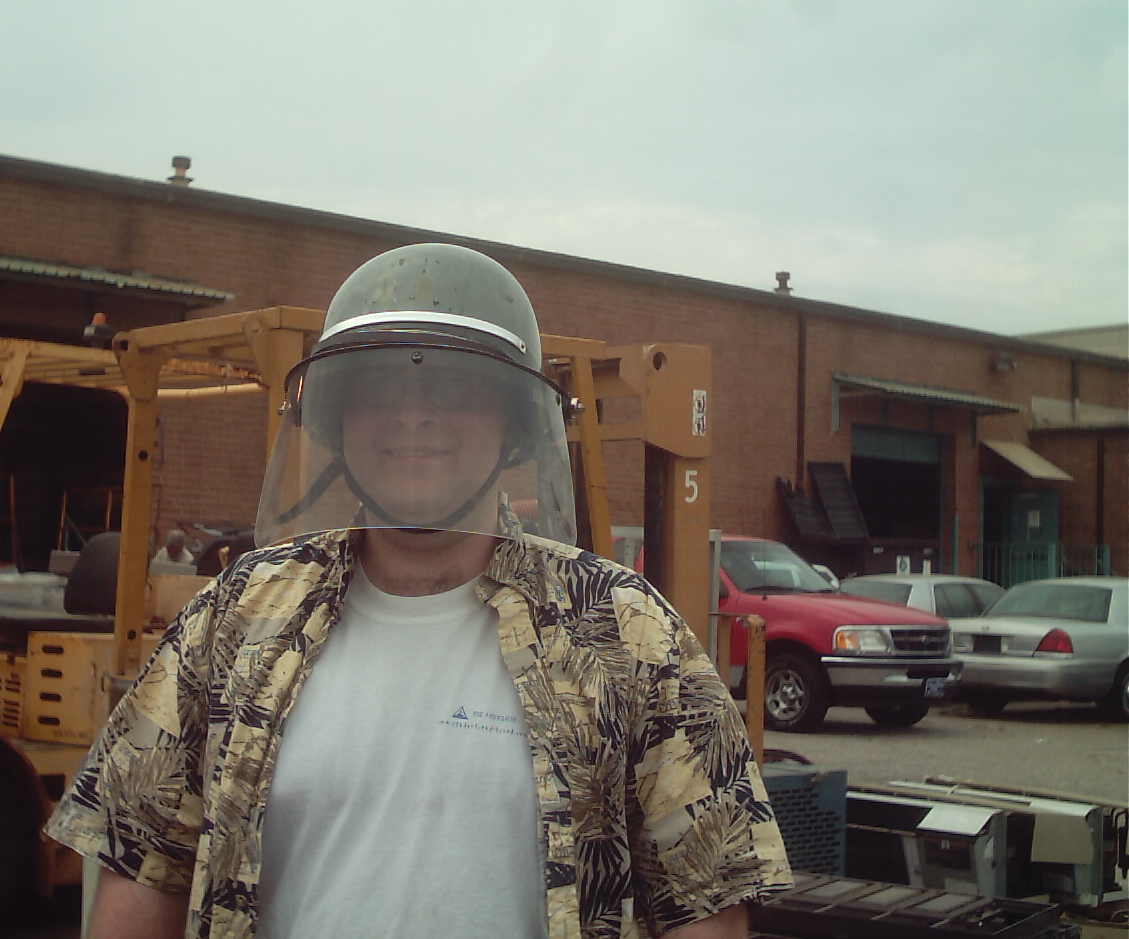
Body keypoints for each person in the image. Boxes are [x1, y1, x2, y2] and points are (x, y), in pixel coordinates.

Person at [45, 243, 792, 939]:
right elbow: (140, 874)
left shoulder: (626, 631)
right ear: (335, 421)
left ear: (514, 425)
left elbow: (706, 901)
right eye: (377, 390)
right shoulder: (235, 618)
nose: (413, 415)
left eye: (455, 387)